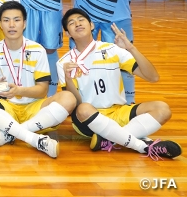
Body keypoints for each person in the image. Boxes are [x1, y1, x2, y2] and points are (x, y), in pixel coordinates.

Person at [58, 8, 182, 159]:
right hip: (90, 118)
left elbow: (153, 77)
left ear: (91, 25)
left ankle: (110, 140)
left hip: (119, 111)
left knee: (162, 109)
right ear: (68, 34)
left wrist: (131, 48)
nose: (77, 23)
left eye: (81, 19)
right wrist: (68, 77)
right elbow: (75, 104)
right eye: (71, 23)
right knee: (83, 108)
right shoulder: (64, 62)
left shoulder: (112, 50)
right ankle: (141, 146)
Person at [0, 2, 76, 159]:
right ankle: (35, 139)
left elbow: (42, 90)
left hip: (33, 107)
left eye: (16, 20)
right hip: (6, 107)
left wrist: (20, 90)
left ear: (25, 23)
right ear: (0, 24)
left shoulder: (37, 50)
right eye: (6, 20)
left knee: (68, 98)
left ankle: (11, 133)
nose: (12, 25)